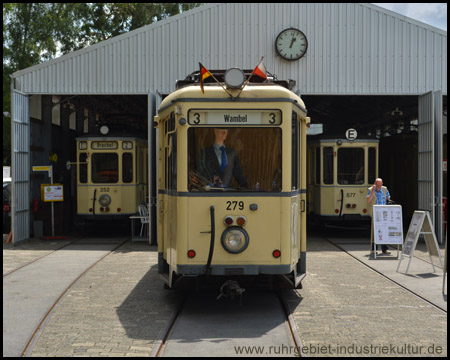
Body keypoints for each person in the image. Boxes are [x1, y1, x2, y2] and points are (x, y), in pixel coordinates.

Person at [367, 178, 391, 255]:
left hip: (384, 213)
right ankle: (374, 249)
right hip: (375, 213)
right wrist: (373, 191)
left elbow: (388, 198)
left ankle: (385, 249)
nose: (379, 187)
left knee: (384, 230)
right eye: (377, 185)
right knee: (375, 231)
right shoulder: (370, 190)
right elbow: (368, 200)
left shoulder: (384, 189)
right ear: (374, 184)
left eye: (380, 185)